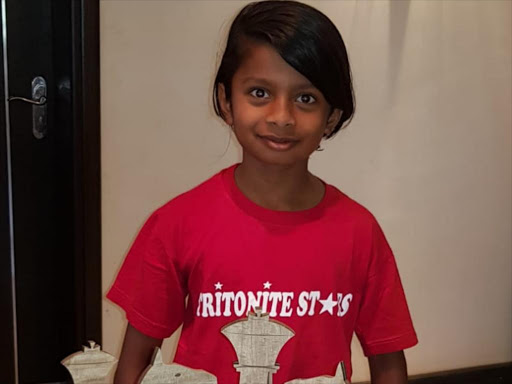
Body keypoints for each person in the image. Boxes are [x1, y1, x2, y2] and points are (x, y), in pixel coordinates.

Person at [107, 1, 418, 383]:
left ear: (331, 117)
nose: (281, 116)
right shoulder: (176, 223)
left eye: (306, 98)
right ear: (226, 101)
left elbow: (388, 362)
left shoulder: (360, 232)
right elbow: (137, 358)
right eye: (259, 92)